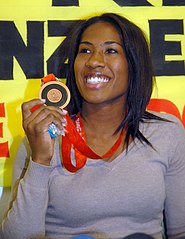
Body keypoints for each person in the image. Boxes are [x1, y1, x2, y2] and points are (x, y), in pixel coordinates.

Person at [0, 12, 185, 239]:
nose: (94, 61)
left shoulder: (167, 133)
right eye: (85, 50)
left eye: (111, 51)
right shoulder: (40, 139)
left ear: (134, 64)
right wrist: (41, 161)